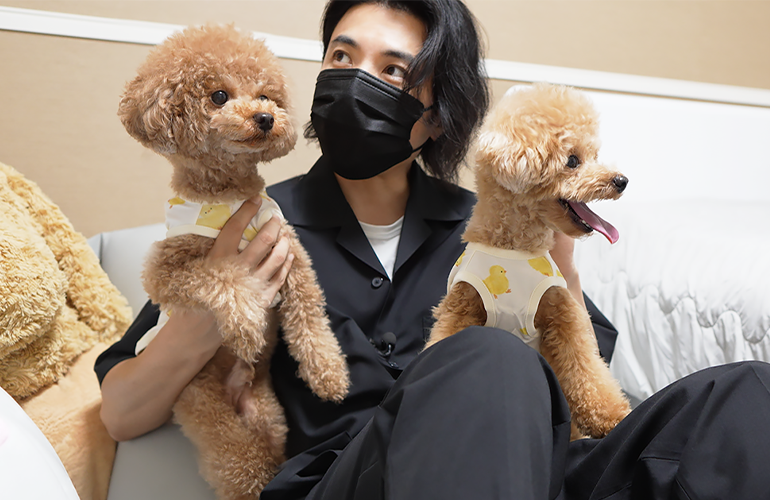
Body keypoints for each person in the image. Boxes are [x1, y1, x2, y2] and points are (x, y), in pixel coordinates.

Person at [96, 0, 770, 499]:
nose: (355, 80)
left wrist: (560, 269)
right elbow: (122, 412)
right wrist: (206, 316)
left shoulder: (490, 225)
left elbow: (581, 369)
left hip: (531, 472)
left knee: (746, 394)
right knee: (486, 357)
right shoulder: (253, 225)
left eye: (393, 71)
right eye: (341, 56)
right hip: (353, 480)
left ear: (436, 114)